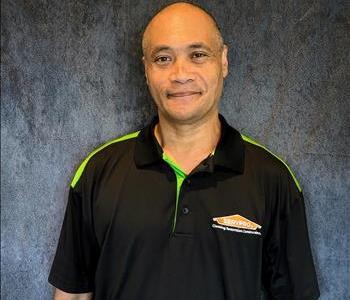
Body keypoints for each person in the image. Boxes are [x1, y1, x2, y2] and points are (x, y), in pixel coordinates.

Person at [48, 2, 320, 299]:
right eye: (163, 58)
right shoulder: (99, 171)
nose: (180, 74)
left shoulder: (273, 179)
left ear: (224, 61)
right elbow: (73, 294)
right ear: (146, 70)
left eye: (198, 55)